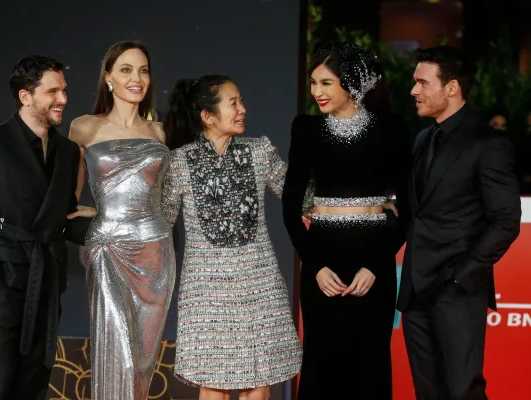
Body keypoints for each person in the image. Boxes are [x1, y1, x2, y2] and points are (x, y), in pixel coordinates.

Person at [0, 55, 92, 400]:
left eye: (64, 90)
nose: (63, 99)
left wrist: (122, 231)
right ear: (25, 96)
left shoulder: (68, 152)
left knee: (33, 389)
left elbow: (62, 218)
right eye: (52, 91)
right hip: (0, 286)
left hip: (46, 289)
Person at [282, 42, 410, 400]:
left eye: (326, 83)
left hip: (374, 260)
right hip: (322, 258)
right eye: (313, 83)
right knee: (322, 364)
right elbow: (290, 209)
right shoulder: (306, 129)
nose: (316, 92)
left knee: (370, 365)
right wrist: (316, 266)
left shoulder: (391, 129)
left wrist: (377, 265)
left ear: (351, 84)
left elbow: (408, 209)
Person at [161, 75, 302, 400]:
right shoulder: (179, 162)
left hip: (259, 288)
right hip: (206, 295)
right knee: (214, 390)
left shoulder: (259, 152)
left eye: (241, 101)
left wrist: (359, 200)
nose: (242, 109)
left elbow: (300, 197)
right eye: (233, 103)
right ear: (208, 116)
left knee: (259, 388)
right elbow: (160, 220)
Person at [398, 46, 521, 399]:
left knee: (463, 391)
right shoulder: (423, 139)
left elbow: (506, 220)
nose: (414, 91)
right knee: (428, 392)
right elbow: (417, 211)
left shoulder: (488, 144)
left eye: (423, 83)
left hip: (458, 292)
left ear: (451, 87)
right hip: (415, 291)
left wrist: (462, 277)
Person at [67, 41, 175, 400]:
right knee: (119, 353)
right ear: (108, 77)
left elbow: (167, 197)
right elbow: (67, 196)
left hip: (155, 252)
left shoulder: (161, 133)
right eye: (126, 69)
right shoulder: (84, 128)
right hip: (108, 248)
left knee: (143, 360)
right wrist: (100, 211)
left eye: (143, 70)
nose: (136, 78)